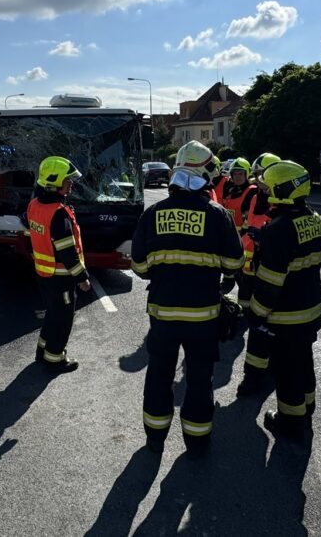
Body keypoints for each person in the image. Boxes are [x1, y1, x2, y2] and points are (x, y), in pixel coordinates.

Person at [130, 141, 244, 456]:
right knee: (198, 379)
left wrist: (163, 268)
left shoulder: (152, 214)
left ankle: (155, 438)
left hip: (163, 315)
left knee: (159, 375)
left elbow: (139, 268)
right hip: (203, 316)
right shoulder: (218, 215)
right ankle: (196, 442)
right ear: (205, 175)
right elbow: (235, 264)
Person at [246, 160, 321, 438]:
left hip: (286, 316)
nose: (264, 193)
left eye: (268, 188)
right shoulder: (315, 220)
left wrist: (255, 314)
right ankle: (307, 409)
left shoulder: (277, 229)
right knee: (304, 363)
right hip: (311, 310)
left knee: (287, 371)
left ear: (283, 190)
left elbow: (269, 283)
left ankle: (291, 423)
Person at [26, 156, 91, 374]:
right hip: (61, 277)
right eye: (67, 180)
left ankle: (42, 351)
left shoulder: (34, 205)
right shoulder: (58, 214)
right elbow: (68, 254)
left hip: (43, 274)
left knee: (52, 314)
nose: (71, 184)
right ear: (54, 183)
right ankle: (55, 359)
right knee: (63, 319)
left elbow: (31, 234)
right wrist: (82, 278)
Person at [235, 152, 280, 396]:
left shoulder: (282, 202)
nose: (258, 181)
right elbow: (248, 222)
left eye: (261, 177)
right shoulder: (257, 196)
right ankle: (255, 379)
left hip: (269, 272)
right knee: (257, 327)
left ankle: (260, 378)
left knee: (264, 330)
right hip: (251, 260)